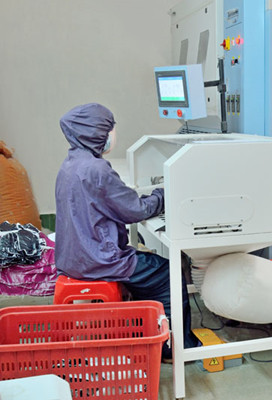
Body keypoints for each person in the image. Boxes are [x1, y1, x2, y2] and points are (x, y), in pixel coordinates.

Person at [55, 103, 198, 361]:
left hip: (73, 258)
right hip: (98, 260)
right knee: (167, 272)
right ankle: (174, 347)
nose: (113, 133)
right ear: (96, 132)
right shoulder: (97, 169)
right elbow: (136, 211)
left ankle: (143, 328)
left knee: (147, 263)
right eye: (110, 127)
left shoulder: (70, 164)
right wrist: (163, 194)